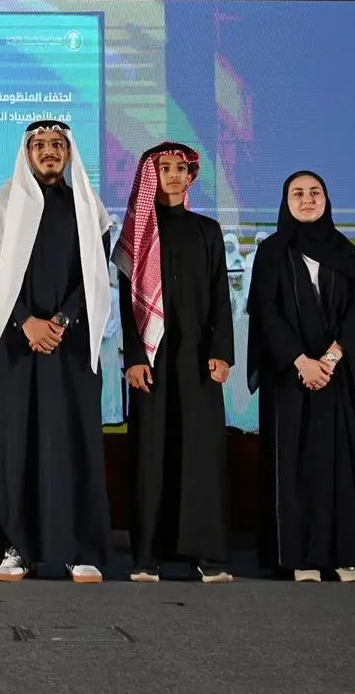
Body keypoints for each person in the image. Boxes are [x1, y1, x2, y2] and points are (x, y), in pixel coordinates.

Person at [0, 120, 115, 584]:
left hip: (70, 345)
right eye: (40, 144)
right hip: (17, 346)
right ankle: (16, 549)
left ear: (70, 153)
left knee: (71, 441)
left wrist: (60, 320)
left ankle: (78, 549)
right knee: (15, 444)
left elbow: (94, 274)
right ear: (27, 153)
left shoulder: (88, 208)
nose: (49, 151)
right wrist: (25, 322)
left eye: (57, 144)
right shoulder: (3, 206)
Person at [247, 171, 355, 583]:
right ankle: (298, 557)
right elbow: (266, 312)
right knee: (295, 462)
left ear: (326, 199)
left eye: (314, 192)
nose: (307, 200)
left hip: (338, 372)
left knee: (340, 461)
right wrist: (300, 361)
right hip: (290, 376)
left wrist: (331, 356)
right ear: (285, 201)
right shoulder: (272, 251)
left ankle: (344, 555)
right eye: (298, 193)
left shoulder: (345, 251)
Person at [115, 143, 236, 584]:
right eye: (162, 168)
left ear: (190, 176)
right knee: (152, 454)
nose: (172, 175)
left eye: (180, 168)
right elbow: (126, 305)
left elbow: (220, 295)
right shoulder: (136, 233)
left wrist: (222, 352)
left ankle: (207, 555)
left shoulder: (208, 230)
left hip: (199, 360)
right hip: (151, 360)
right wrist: (133, 358)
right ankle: (149, 556)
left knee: (201, 454)